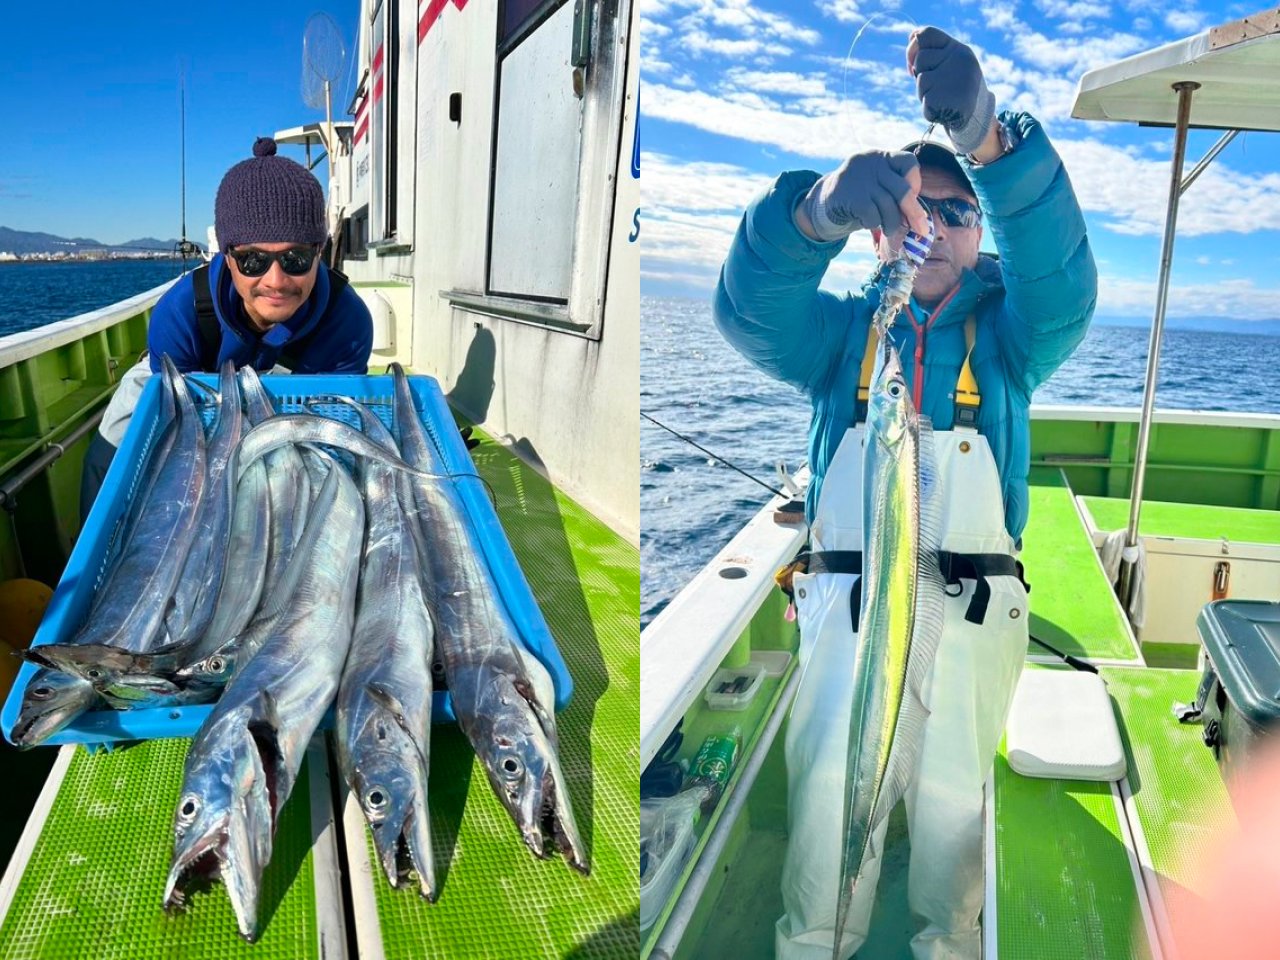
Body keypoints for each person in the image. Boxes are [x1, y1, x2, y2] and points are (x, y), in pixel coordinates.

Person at [713, 26, 1097, 960]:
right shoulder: (840, 339)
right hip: (846, 614)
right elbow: (744, 311)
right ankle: (816, 940)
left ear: (982, 232)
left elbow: (1064, 282)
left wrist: (990, 140)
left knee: (954, 805)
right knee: (825, 799)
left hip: (972, 619)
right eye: (914, 210)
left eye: (957, 212)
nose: (935, 228)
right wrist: (809, 214)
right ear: (881, 227)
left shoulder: (1014, 338)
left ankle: (947, 944)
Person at [80, 137, 373, 520]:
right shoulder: (181, 312)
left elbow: (331, 429)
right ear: (227, 256)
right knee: (112, 449)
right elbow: (180, 433)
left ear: (319, 252)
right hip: (195, 383)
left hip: (294, 393)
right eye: (252, 260)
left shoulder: (347, 322)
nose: (276, 280)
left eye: (297, 258)